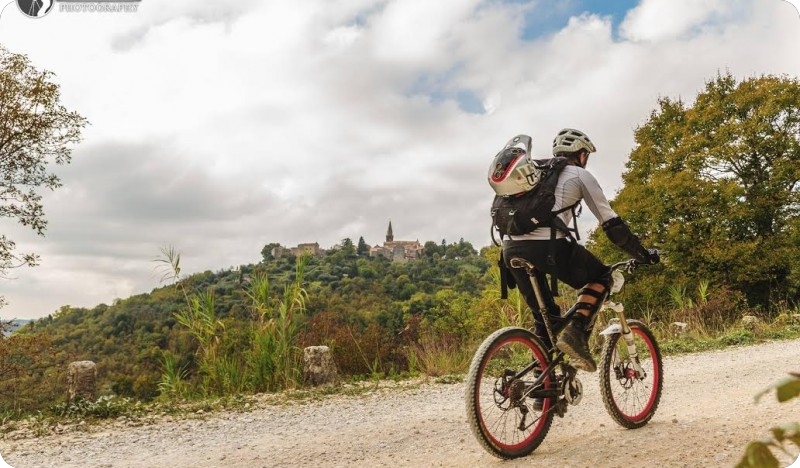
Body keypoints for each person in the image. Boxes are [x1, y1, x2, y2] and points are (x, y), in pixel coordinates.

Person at [502, 128, 659, 372]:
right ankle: (575, 334)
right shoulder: (578, 174)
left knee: (547, 321)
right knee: (601, 277)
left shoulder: (536, 174)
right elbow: (611, 223)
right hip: (547, 246)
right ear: (582, 154)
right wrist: (642, 254)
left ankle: (541, 393)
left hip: (510, 249)